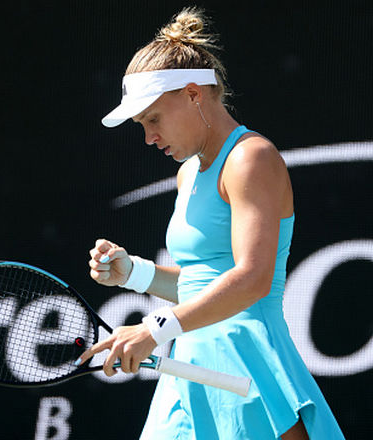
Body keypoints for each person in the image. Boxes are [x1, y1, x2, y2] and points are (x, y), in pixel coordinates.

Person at [78, 7, 344, 440]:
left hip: (244, 366)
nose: (148, 138)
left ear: (193, 95)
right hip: (189, 366)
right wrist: (134, 273)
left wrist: (154, 328)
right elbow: (201, 283)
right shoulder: (188, 173)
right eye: (142, 126)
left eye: (153, 119)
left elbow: (252, 279)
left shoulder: (250, 158)